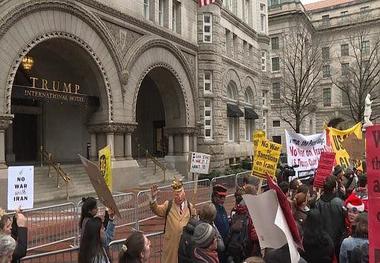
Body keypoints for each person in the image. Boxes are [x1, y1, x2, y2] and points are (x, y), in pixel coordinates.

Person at [149, 177, 196, 263]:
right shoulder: (168, 205)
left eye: (180, 193)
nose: (178, 197)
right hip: (171, 247)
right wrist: (153, 199)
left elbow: (194, 222)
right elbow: (156, 209)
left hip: (184, 246)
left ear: (184, 193)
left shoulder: (190, 207)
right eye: (176, 195)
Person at [315, 175, 345, 260]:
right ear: (334, 189)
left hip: (324, 241)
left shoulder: (318, 203)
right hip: (337, 240)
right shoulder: (339, 203)